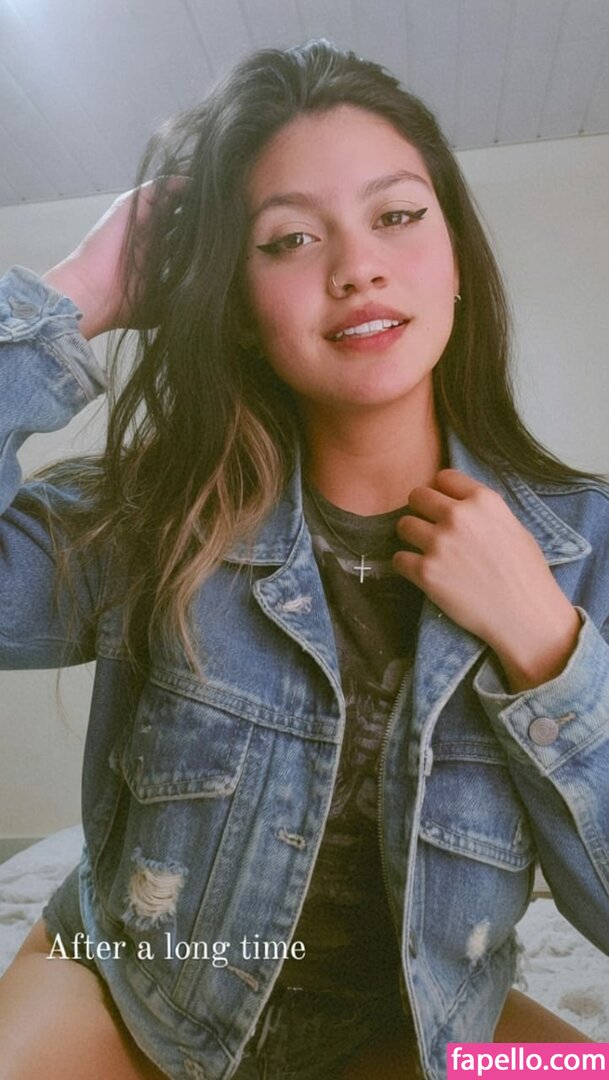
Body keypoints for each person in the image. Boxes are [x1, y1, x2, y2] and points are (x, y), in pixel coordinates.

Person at [0, 39, 606, 1080]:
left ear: (456, 255)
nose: (356, 266)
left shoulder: (582, 548)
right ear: (238, 309)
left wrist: (547, 646)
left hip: (416, 1020)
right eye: (288, 238)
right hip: (132, 988)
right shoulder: (154, 517)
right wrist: (75, 296)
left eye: (397, 216)